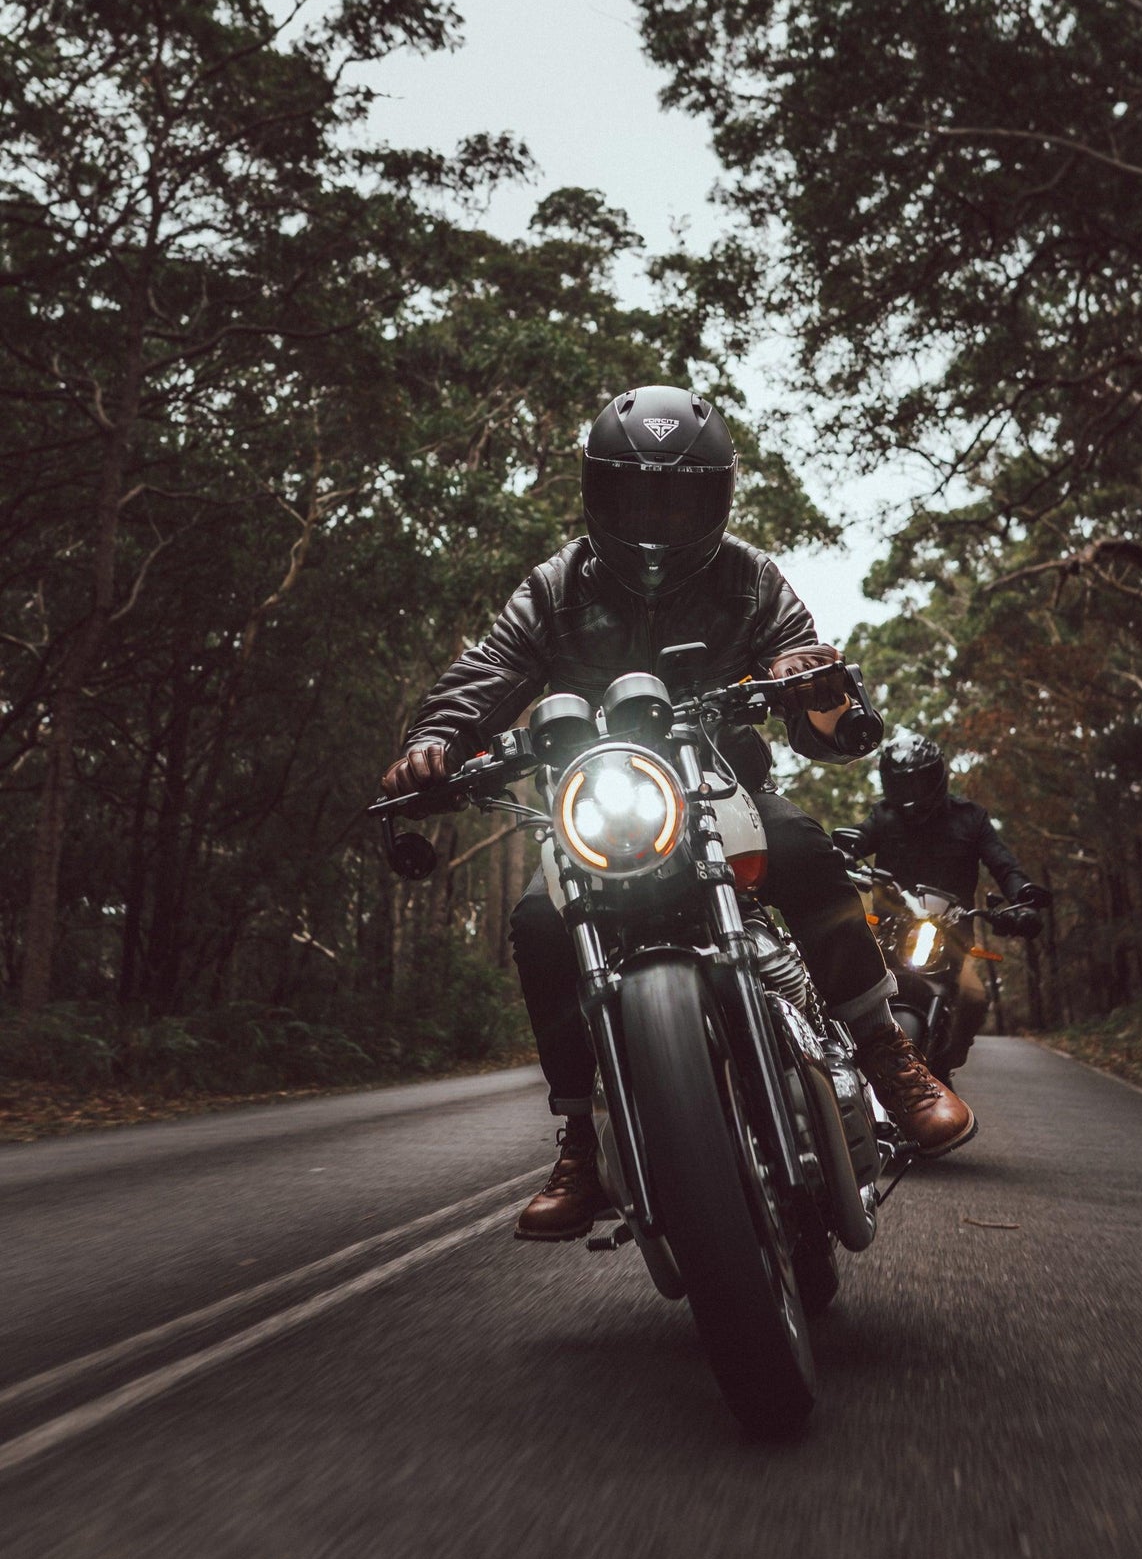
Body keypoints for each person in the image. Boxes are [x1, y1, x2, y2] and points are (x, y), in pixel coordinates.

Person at [380, 387, 976, 1241]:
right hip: (598, 806)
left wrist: (824, 694)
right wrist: (435, 740)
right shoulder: (555, 587)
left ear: (718, 495)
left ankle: (888, 1053)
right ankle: (581, 1139)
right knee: (542, 924)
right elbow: (487, 674)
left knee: (805, 844)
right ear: (598, 491)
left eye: (680, 495)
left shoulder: (751, 578)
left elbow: (822, 714)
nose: (657, 515)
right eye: (636, 493)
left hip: (722, 785)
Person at [849, 732, 1049, 1072]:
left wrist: (1023, 898)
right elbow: (855, 840)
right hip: (887, 933)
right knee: (845, 977)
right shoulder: (883, 816)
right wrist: (837, 854)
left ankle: (946, 1062)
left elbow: (1004, 864)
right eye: (903, 784)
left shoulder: (971, 818)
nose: (913, 793)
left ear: (937, 776)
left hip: (953, 938)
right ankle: (839, 1056)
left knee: (973, 997)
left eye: (921, 781)